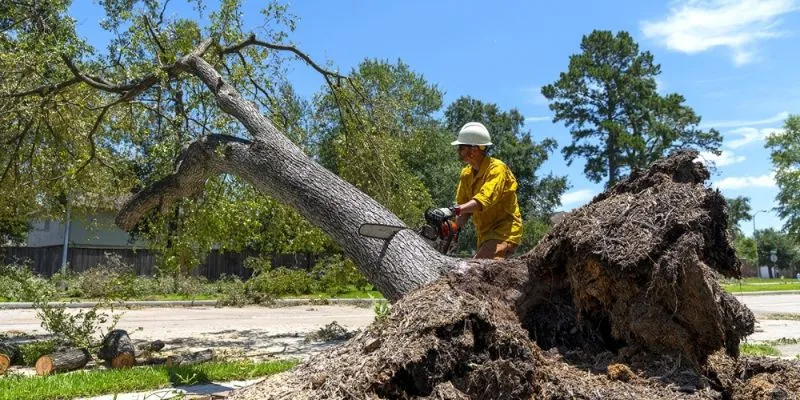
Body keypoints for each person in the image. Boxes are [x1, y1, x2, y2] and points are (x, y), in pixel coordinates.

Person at [449, 122, 523, 259]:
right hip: (485, 236)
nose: (458, 151)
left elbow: (483, 200)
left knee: (474, 269)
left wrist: (454, 209)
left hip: (505, 232)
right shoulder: (466, 174)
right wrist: (454, 229)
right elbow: (464, 209)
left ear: (474, 150)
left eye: (461, 147)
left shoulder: (497, 170)